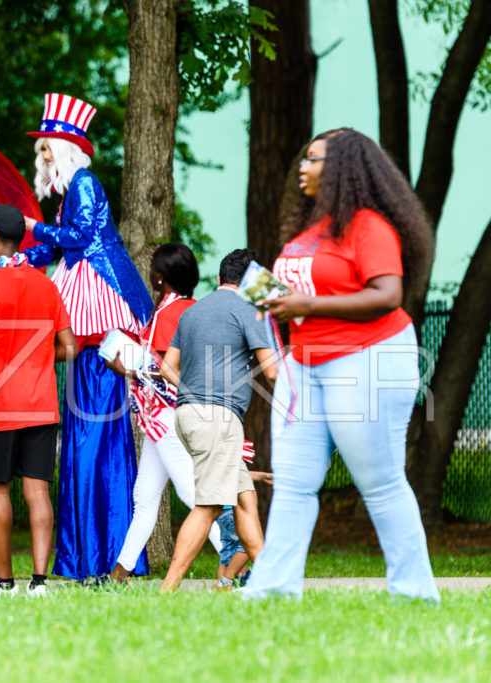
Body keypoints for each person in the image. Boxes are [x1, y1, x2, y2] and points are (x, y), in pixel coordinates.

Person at [242, 128, 440, 601]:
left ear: (344, 170)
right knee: (292, 482)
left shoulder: (369, 226)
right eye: (304, 159)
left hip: (366, 359)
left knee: (381, 482)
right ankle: (271, 590)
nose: (303, 169)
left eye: (314, 160)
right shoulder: (310, 231)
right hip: (304, 365)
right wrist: (278, 302)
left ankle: (415, 592)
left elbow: (388, 294)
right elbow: (308, 293)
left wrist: (305, 306)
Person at [21, 93, 155, 581]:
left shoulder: (82, 184)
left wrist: (33, 227)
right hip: (90, 317)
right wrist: (20, 256)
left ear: (63, 147)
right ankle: (96, 554)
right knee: (92, 438)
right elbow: (57, 246)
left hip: (97, 317)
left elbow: (77, 237)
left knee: (90, 438)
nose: (42, 156)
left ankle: (92, 555)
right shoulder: (72, 190)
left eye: (46, 148)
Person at [0, 205, 76, 599]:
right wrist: (39, 357)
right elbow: (71, 347)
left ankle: (3, 582)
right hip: (41, 403)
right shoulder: (46, 284)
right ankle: (40, 582)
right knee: (37, 491)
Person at [158, 249, 276, 591]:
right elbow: (271, 372)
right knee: (208, 506)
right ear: (252, 279)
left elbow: (167, 367)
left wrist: (193, 393)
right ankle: (168, 588)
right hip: (218, 418)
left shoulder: (193, 312)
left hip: (187, 415)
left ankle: (270, 581)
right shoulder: (250, 311)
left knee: (244, 497)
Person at [105, 243, 223, 583]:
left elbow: (167, 369)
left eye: (155, 269)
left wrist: (125, 367)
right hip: (166, 418)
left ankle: (238, 566)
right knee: (145, 497)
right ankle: (118, 576)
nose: (152, 273)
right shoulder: (189, 307)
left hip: (167, 416)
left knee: (193, 495)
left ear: (163, 277)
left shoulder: (170, 314)